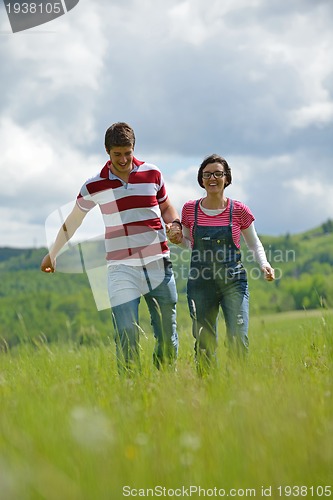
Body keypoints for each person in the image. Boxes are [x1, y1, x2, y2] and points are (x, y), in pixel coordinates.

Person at [41, 122, 183, 373]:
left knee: (166, 332)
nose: (124, 159)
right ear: (107, 152)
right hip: (121, 268)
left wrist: (174, 224)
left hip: (158, 263)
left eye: (127, 153)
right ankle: (130, 388)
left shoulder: (153, 173)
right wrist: (53, 253)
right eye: (117, 154)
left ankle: (165, 382)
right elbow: (73, 221)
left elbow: (166, 208)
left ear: (133, 148)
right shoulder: (94, 185)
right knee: (126, 330)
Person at [168, 154, 274, 374]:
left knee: (238, 336)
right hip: (201, 283)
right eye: (207, 174)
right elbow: (189, 244)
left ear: (227, 178)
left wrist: (264, 264)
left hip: (233, 282)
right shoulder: (190, 209)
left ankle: (239, 386)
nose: (212, 178)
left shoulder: (239, 210)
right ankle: (209, 390)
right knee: (204, 342)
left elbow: (254, 244)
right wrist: (177, 240)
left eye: (218, 173)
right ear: (201, 179)